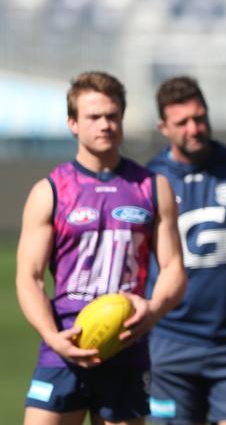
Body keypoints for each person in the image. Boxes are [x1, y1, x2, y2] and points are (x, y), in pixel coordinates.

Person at [16, 71, 186, 425]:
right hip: (64, 346)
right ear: (73, 123)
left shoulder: (153, 187)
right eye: (94, 116)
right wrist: (53, 337)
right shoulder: (50, 191)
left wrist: (151, 312)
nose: (105, 125)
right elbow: (29, 278)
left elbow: (173, 270)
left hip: (126, 348)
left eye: (113, 116)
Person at [146, 76, 226, 425]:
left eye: (199, 118)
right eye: (182, 122)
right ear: (163, 127)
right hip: (168, 345)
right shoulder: (148, 179)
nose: (194, 128)